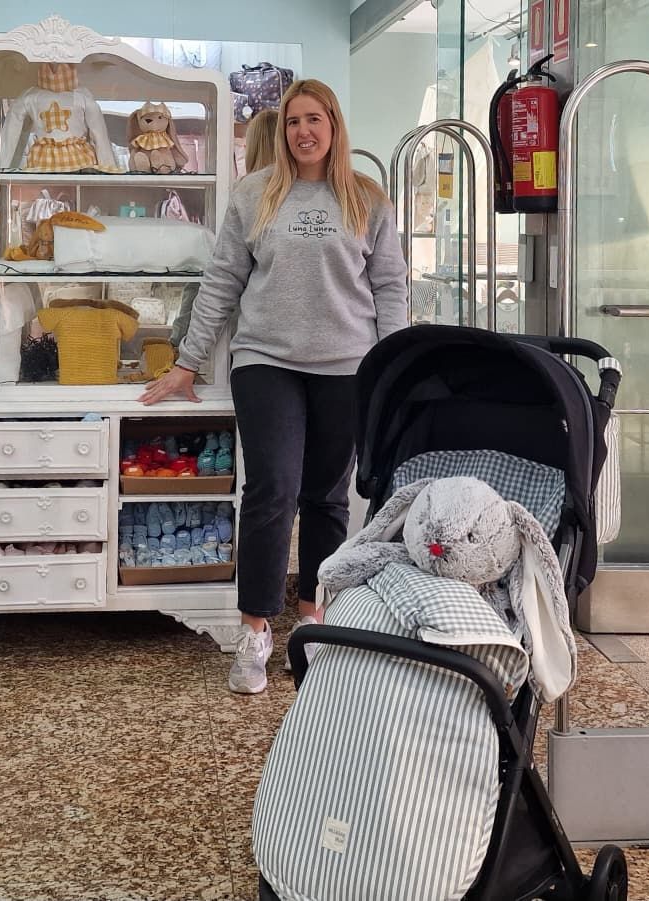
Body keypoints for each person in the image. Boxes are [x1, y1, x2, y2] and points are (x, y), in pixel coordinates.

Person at [140, 79, 408, 694]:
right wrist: (188, 361)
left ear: (334, 127)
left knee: (327, 497)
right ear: (281, 131)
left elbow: (391, 289)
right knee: (272, 490)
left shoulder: (368, 199)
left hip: (348, 365)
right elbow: (221, 283)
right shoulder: (254, 194)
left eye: (315, 120)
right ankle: (255, 630)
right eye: (292, 122)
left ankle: (312, 622)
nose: (303, 132)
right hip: (267, 363)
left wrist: (394, 366)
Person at [170, 108, 283, 350]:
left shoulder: (244, 193)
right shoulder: (295, 196)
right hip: (274, 331)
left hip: (245, 329)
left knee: (201, 279)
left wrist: (182, 343)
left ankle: (178, 344)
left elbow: (218, 277)